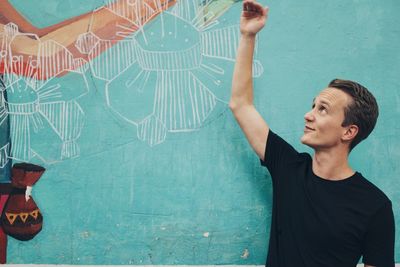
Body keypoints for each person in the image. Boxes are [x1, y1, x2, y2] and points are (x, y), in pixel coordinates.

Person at [229, 1, 395, 267]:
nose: (309, 115)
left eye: (323, 110)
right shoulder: (289, 168)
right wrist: (248, 36)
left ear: (349, 131)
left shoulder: (375, 207)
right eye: (312, 106)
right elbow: (240, 104)